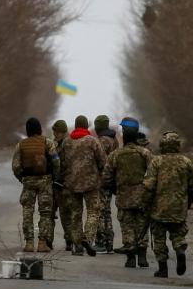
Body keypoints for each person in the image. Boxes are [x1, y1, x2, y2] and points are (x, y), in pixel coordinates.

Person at [143, 131, 193, 278]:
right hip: (178, 207)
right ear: (177, 145)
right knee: (178, 233)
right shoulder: (186, 162)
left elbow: (149, 186)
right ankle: (180, 250)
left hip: (158, 208)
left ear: (162, 145)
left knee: (159, 238)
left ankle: (163, 268)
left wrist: (146, 203)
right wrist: (188, 202)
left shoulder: (156, 162)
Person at [102, 117, 153, 268]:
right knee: (142, 226)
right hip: (143, 197)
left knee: (127, 226)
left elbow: (106, 177)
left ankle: (130, 258)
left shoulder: (116, 155)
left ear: (124, 136)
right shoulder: (145, 153)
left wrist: (113, 189)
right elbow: (154, 174)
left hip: (124, 197)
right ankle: (142, 257)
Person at [12, 118, 60, 253]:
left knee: (27, 212)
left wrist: (22, 178)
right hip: (45, 181)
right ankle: (42, 243)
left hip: (28, 182)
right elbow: (56, 162)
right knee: (45, 213)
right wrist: (54, 178)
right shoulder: (47, 143)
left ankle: (29, 243)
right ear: (39, 129)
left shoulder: (21, 145)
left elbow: (15, 166)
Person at [60, 115, 106, 256]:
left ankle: (78, 245)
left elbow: (61, 162)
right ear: (86, 126)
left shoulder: (66, 142)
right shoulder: (93, 141)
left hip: (71, 184)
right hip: (91, 183)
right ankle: (88, 237)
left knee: (75, 214)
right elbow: (102, 161)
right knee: (93, 211)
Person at [94, 115, 118, 253]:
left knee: (100, 211)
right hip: (110, 180)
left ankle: (101, 242)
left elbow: (100, 161)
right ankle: (109, 243)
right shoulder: (114, 139)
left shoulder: (102, 140)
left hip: (101, 180)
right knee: (107, 211)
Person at [50, 120, 73, 251]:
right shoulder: (55, 143)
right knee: (50, 214)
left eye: (56, 132)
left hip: (64, 184)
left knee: (65, 214)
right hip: (55, 183)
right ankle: (48, 241)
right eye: (53, 132)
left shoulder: (68, 143)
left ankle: (69, 240)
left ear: (62, 132)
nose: (54, 134)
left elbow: (68, 164)